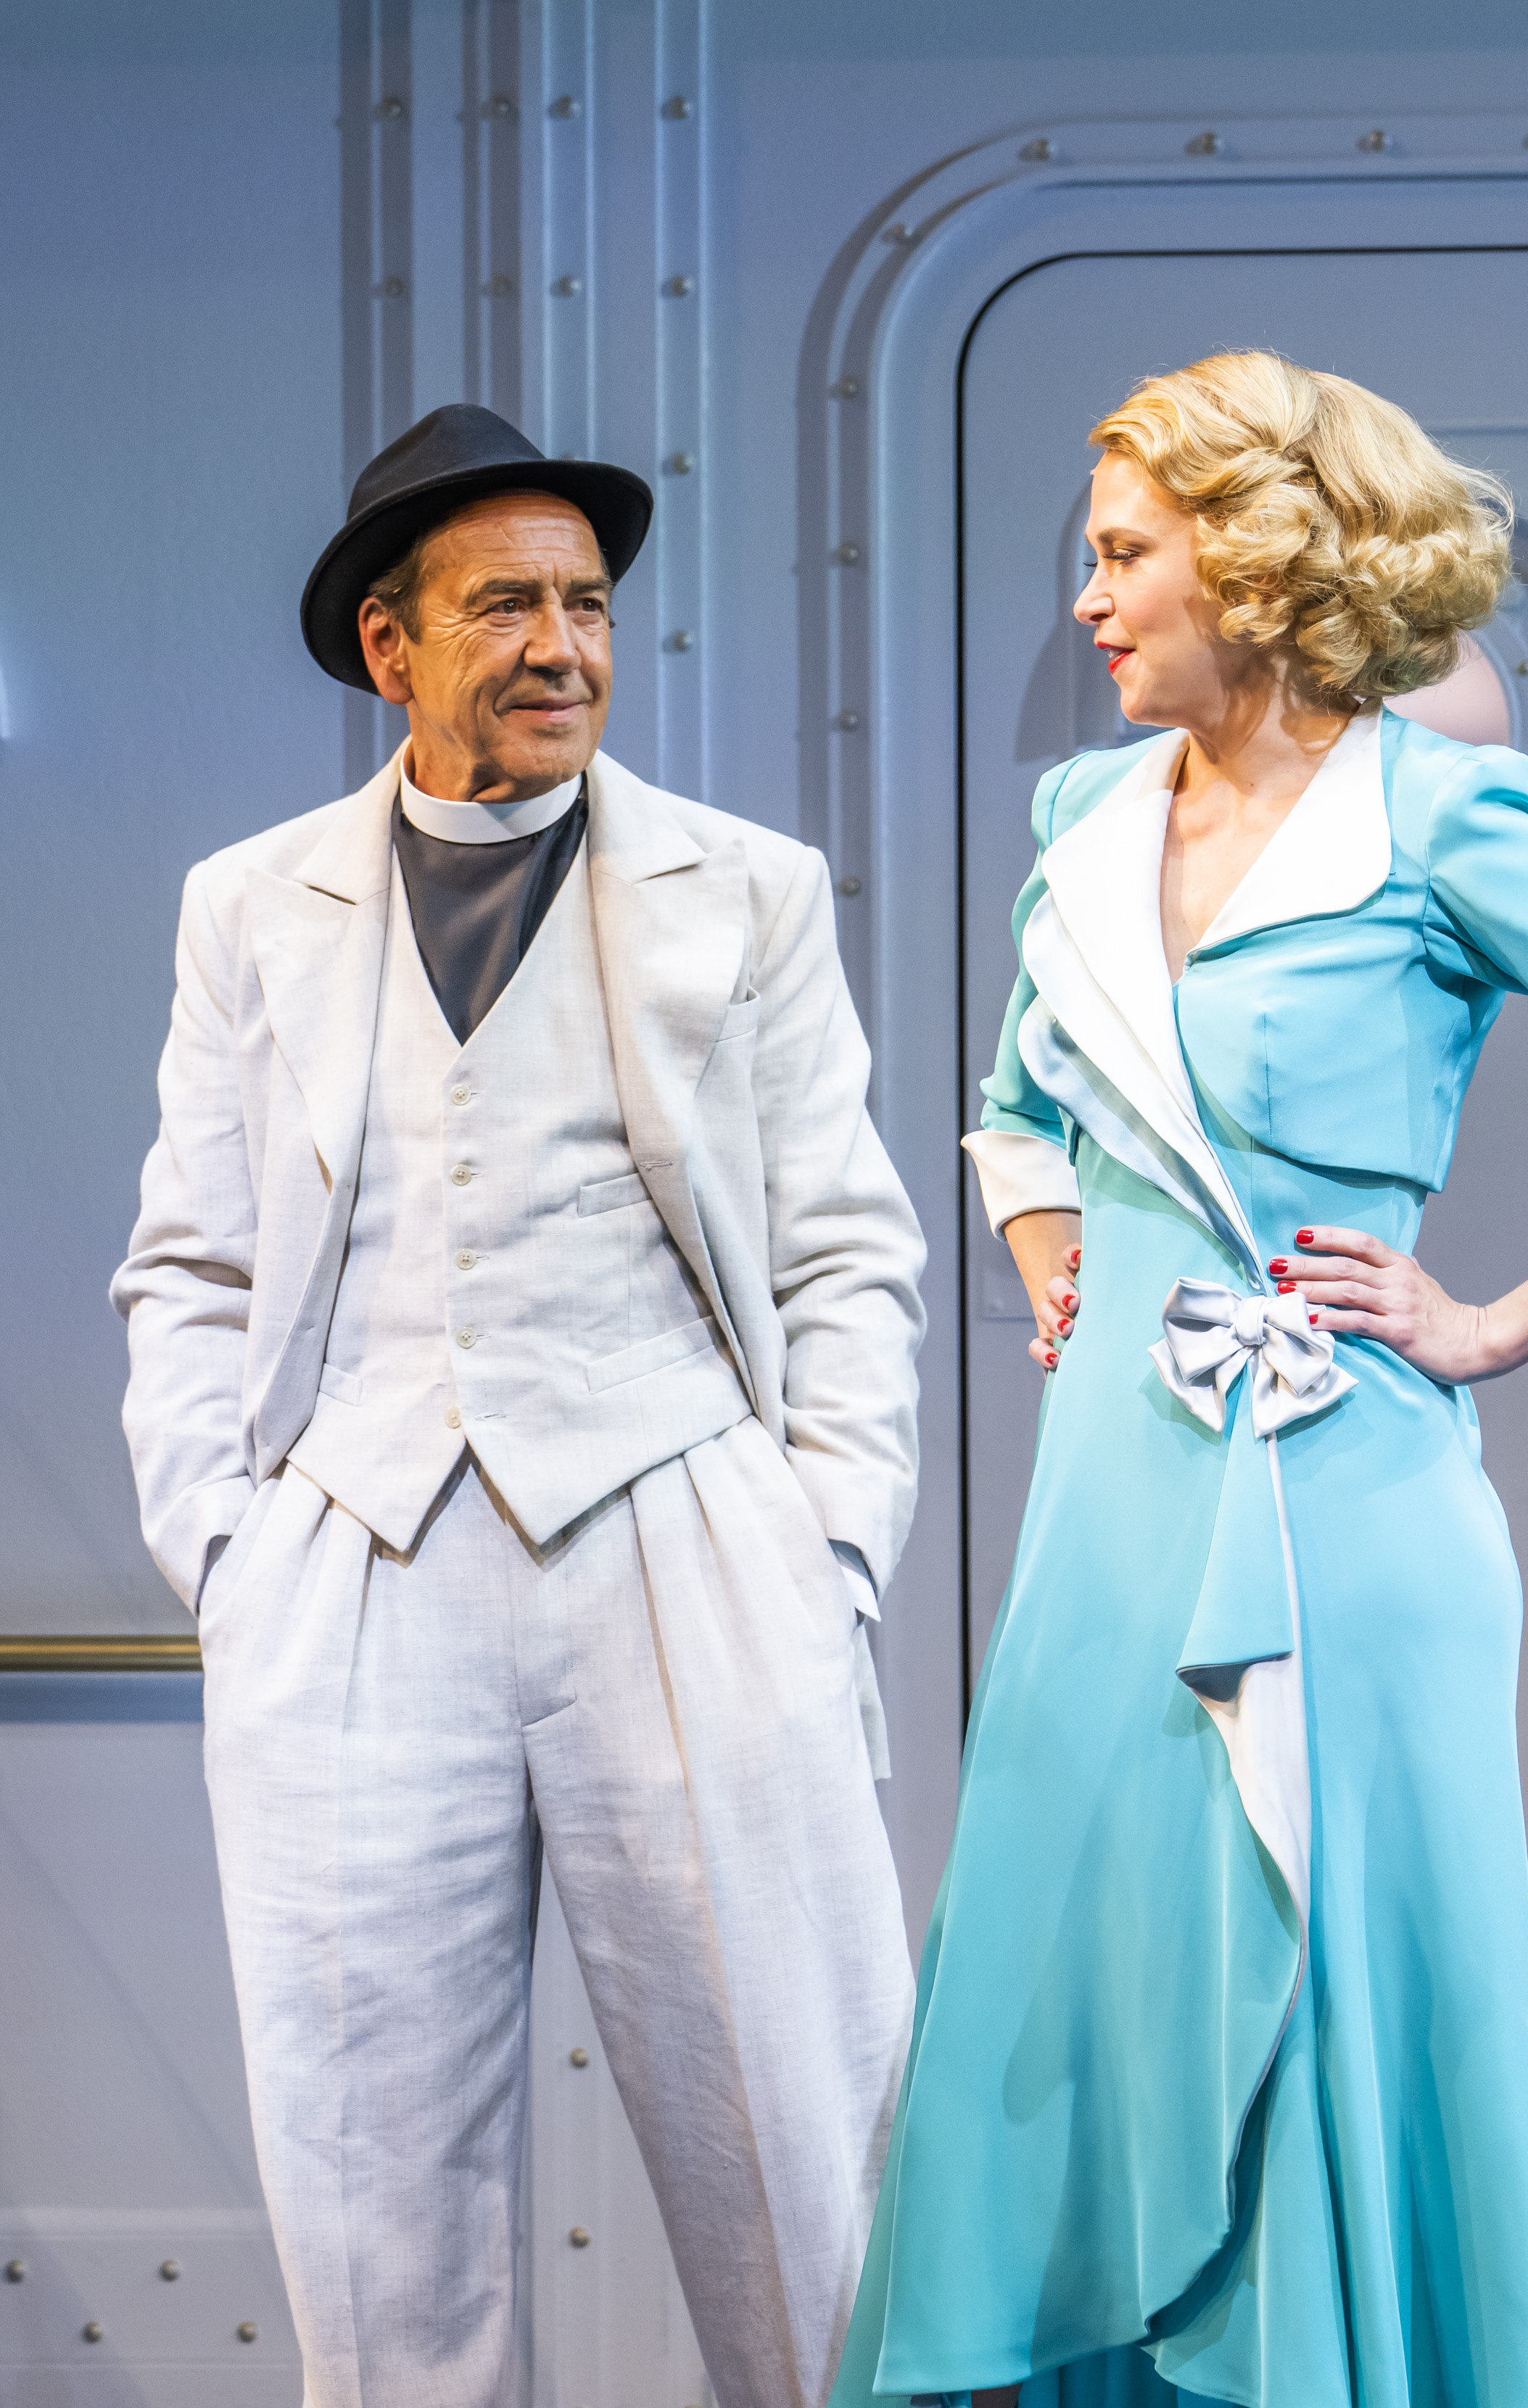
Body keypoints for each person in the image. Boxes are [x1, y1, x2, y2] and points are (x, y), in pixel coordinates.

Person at [834, 353, 1528, 2408]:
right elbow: (1016, 1115)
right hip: (1110, 1507)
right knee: (1078, 1991)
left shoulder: (1440, 816)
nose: (1090, 599)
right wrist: (1065, 1270)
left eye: (1125, 555)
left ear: (1259, 564)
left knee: (1349, 2007)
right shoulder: (1086, 821)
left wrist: (1487, 1325)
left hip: (1346, 1498)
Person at [115, 402, 926, 2408]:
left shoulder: (749, 888)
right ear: (390, 645)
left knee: (805, 2158)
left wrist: (826, 1552)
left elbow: (845, 1248)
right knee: (368, 2198)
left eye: (589, 605)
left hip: (682, 1536)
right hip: (357, 1557)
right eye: (507, 606)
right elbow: (193, 1260)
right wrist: (228, 1558)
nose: (563, 645)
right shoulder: (252, 903)